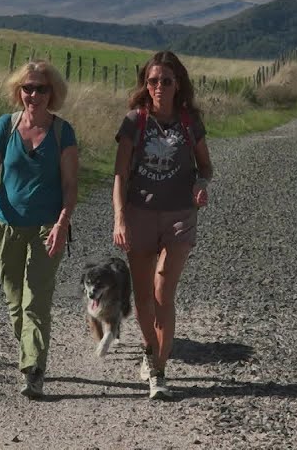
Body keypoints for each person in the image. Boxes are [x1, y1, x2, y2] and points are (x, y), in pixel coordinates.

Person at [0, 60, 78, 399]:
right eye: (28, 88)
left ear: (52, 93)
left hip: (47, 228)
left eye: (41, 89)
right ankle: (30, 349)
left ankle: (33, 370)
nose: (34, 95)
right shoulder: (5, 125)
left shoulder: (62, 132)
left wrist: (62, 223)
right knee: (15, 303)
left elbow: (71, 185)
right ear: (18, 91)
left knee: (35, 302)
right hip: (6, 225)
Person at [112, 50, 213, 400]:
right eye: (152, 81)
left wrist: (201, 184)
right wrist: (119, 217)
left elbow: (206, 166)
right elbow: (119, 173)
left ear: (178, 84)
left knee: (162, 293)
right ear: (145, 84)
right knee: (143, 298)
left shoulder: (189, 122)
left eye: (166, 81)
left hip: (180, 216)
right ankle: (149, 347)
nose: (159, 87)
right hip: (139, 214)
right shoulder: (134, 121)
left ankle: (158, 369)